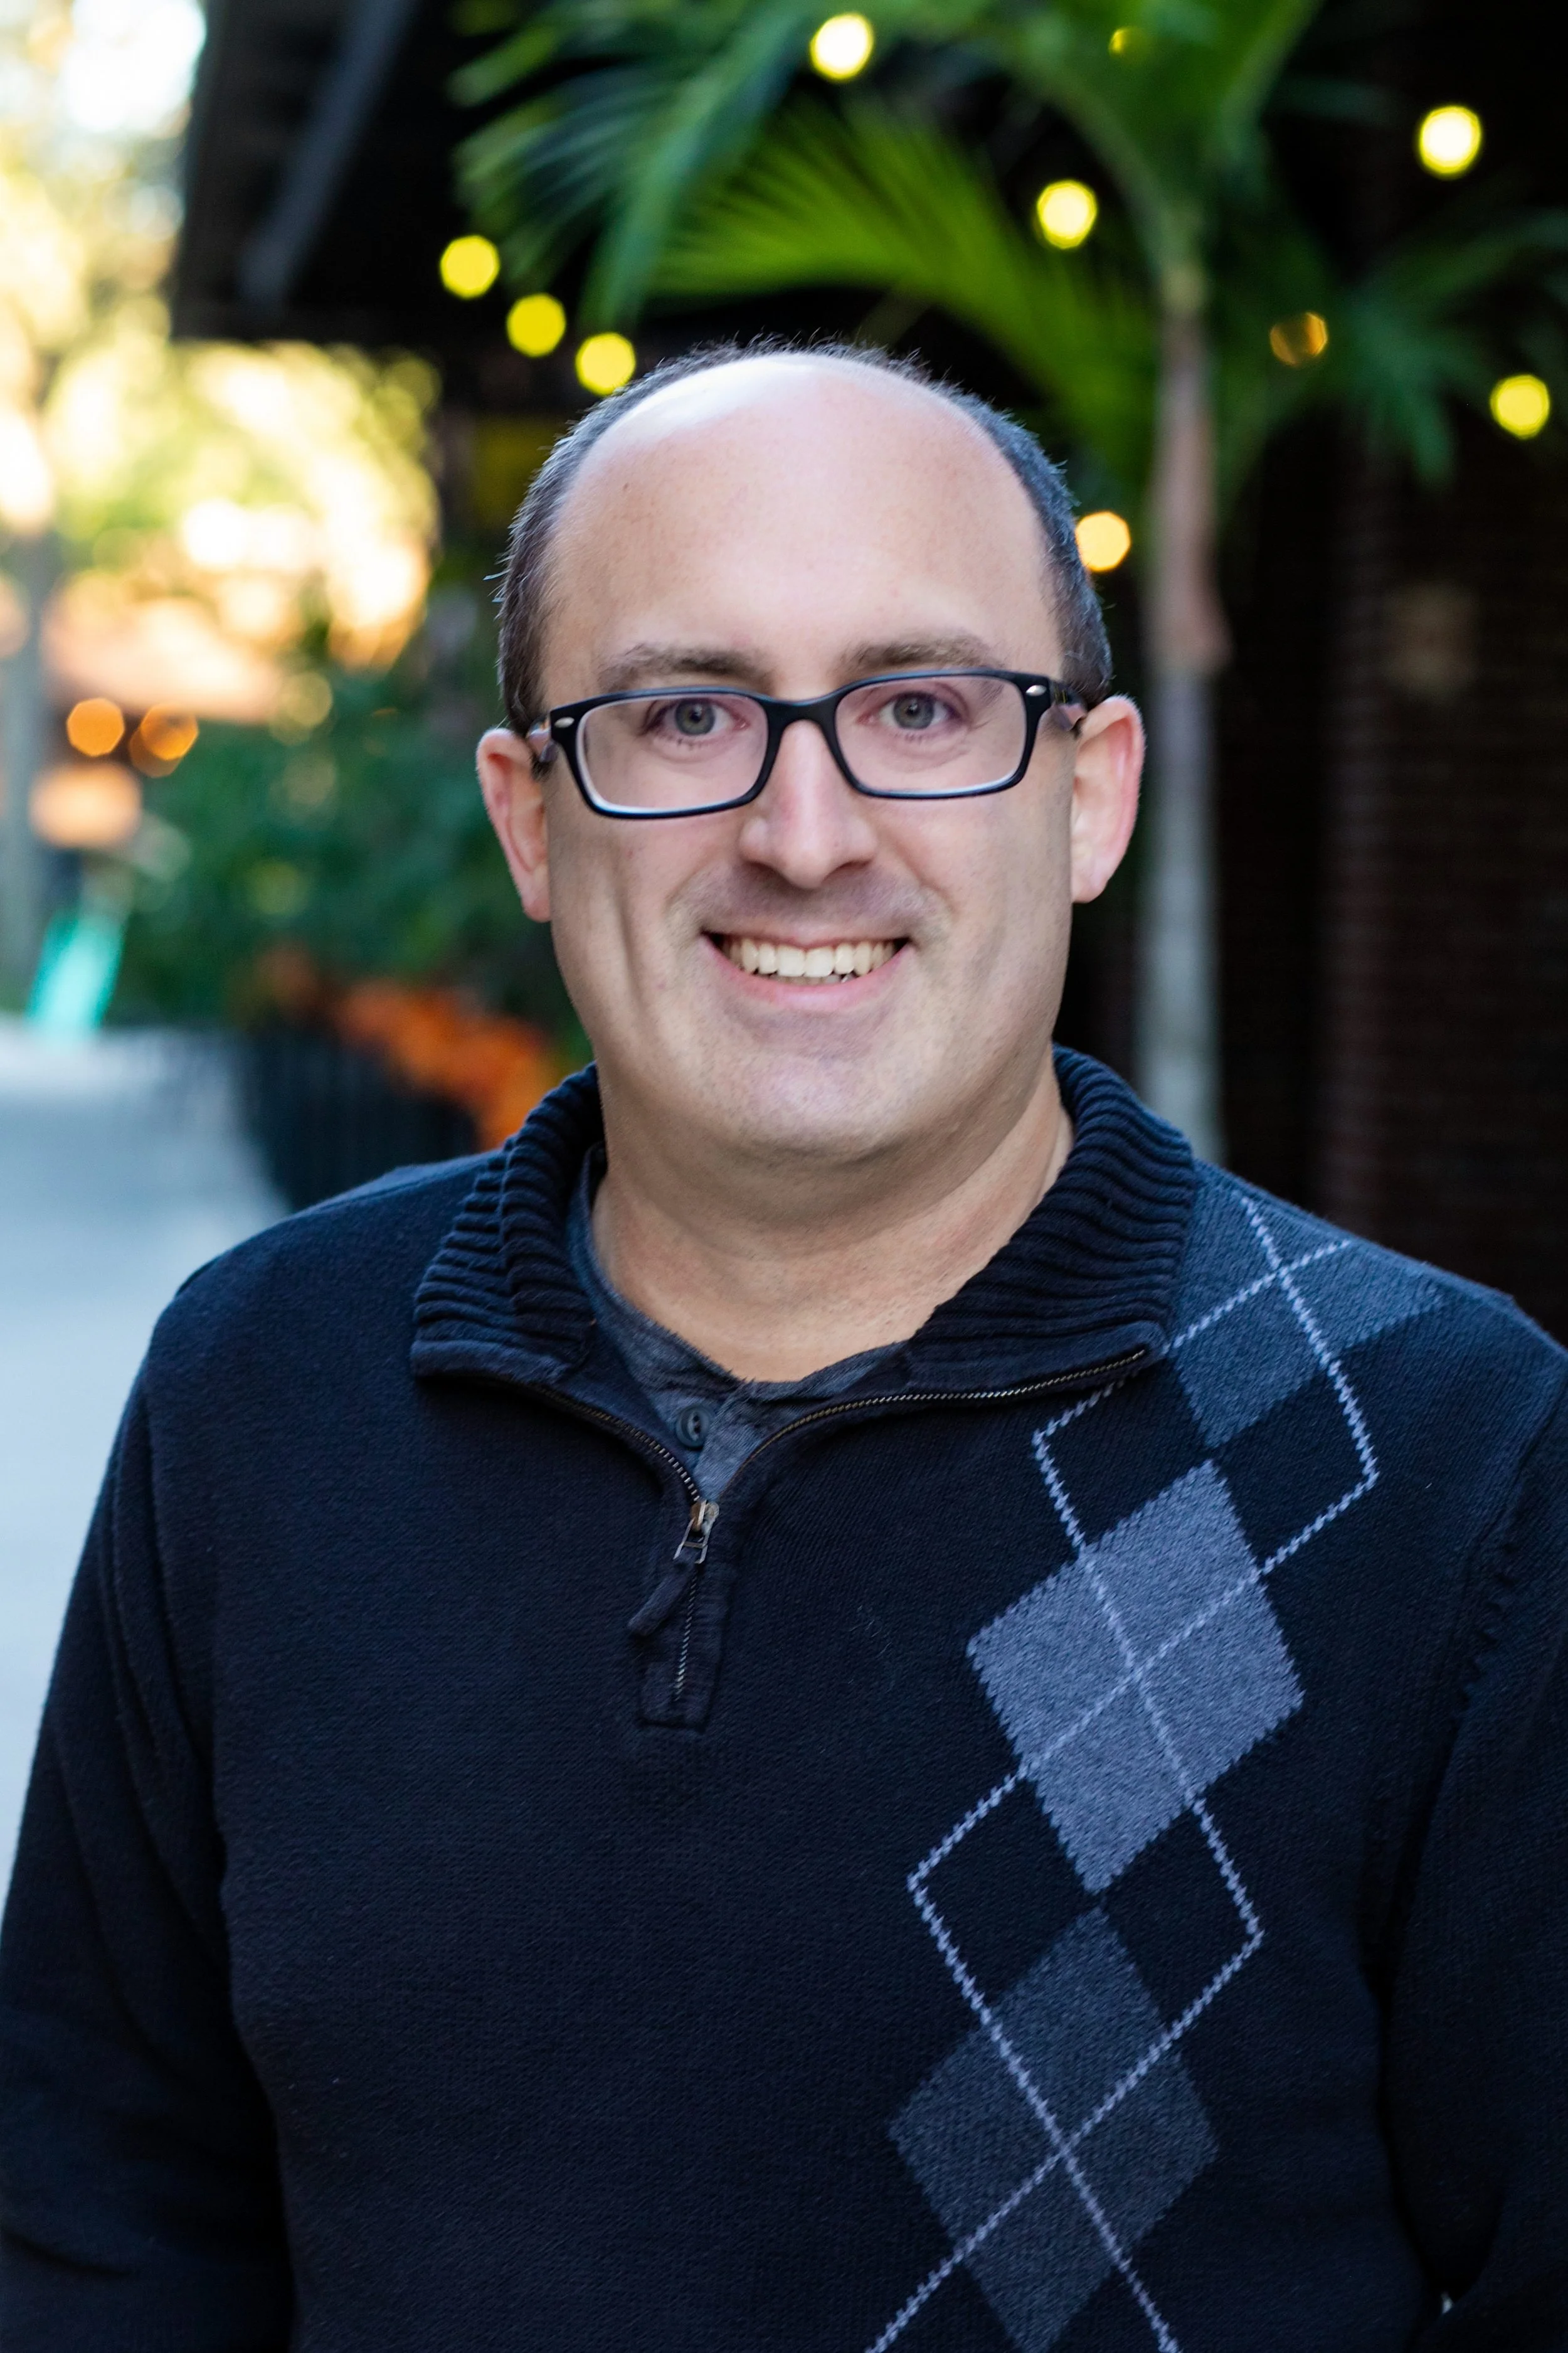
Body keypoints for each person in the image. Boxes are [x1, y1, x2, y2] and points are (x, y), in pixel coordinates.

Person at [1, 344, 1565, 2353]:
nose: (805, 829)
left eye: (918, 706)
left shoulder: (1438, 1457)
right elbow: (102, 2215)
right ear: (532, 819)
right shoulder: (263, 1382)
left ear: (1087, 797)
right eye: (682, 715)